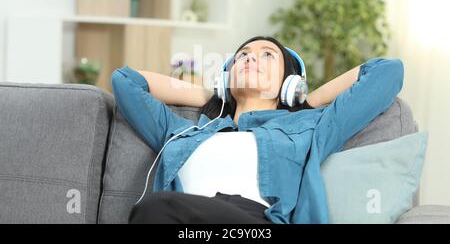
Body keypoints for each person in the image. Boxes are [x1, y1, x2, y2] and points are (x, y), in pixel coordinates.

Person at [111, 36, 404, 224]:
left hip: (256, 225)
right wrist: (212, 96)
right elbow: (126, 81)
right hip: (184, 221)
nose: (251, 58)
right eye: (243, 55)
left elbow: (387, 72)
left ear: (290, 84)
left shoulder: (309, 127)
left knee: (156, 210)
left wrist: (306, 101)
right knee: (159, 210)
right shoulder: (184, 131)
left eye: (267, 55)